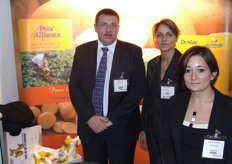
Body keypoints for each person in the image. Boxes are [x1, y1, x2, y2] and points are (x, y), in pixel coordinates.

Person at [69, 8, 145, 164]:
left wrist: (112, 119)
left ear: (118, 28)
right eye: (103, 24)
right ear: (96, 27)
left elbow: (137, 90)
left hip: (122, 129)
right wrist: (90, 117)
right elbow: (75, 87)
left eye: (113, 25)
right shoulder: (82, 51)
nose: (108, 29)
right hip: (91, 129)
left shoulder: (133, 52)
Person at [169, 46, 232, 163]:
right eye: (188, 70)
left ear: (213, 74)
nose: (193, 77)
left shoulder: (228, 108)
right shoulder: (175, 103)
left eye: (200, 70)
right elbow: (170, 148)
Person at [140, 18, 182, 164]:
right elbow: (148, 98)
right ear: (155, 39)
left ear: (177, 37)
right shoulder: (152, 64)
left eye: (169, 34)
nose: (164, 39)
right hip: (153, 130)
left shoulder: (185, 64)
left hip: (176, 131)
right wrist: (144, 129)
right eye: (159, 35)